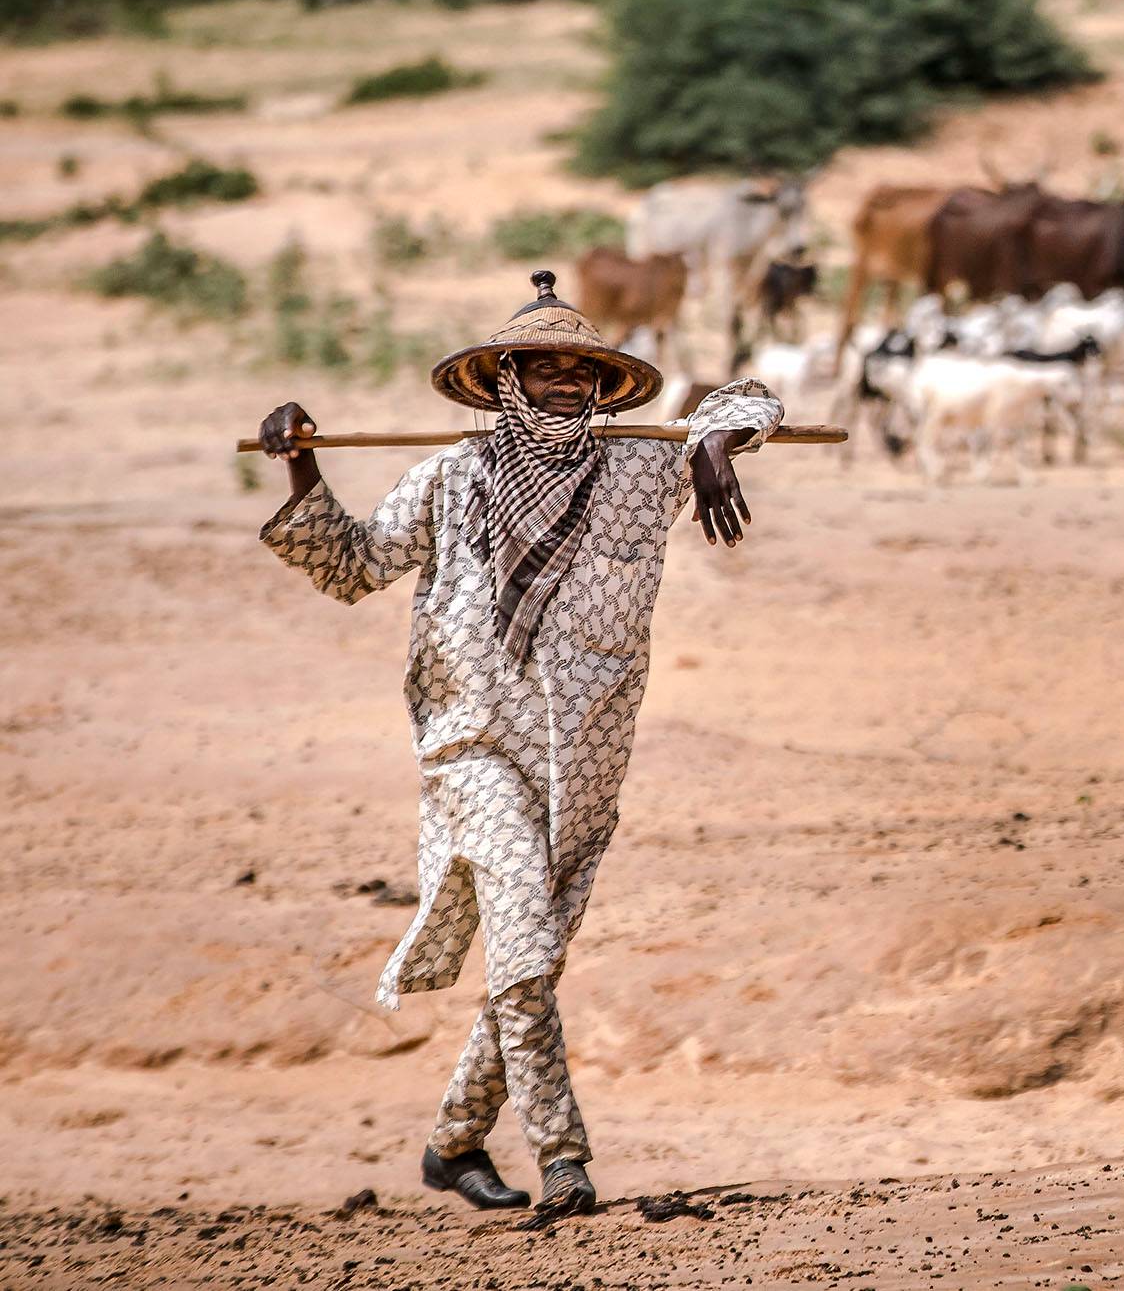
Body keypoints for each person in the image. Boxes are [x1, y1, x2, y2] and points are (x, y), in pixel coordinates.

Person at [256, 270, 782, 1216]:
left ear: (604, 383)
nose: (564, 380)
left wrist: (711, 440)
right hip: (471, 745)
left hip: (585, 760)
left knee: (526, 960)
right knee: (527, 950)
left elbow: (754, 396)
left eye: (581, 367)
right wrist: (300, 463)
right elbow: (347, 565)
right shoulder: (450, 477)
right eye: (541, 366)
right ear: (505, 378)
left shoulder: (643, 467)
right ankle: (564, 1159)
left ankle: (454, 1143)